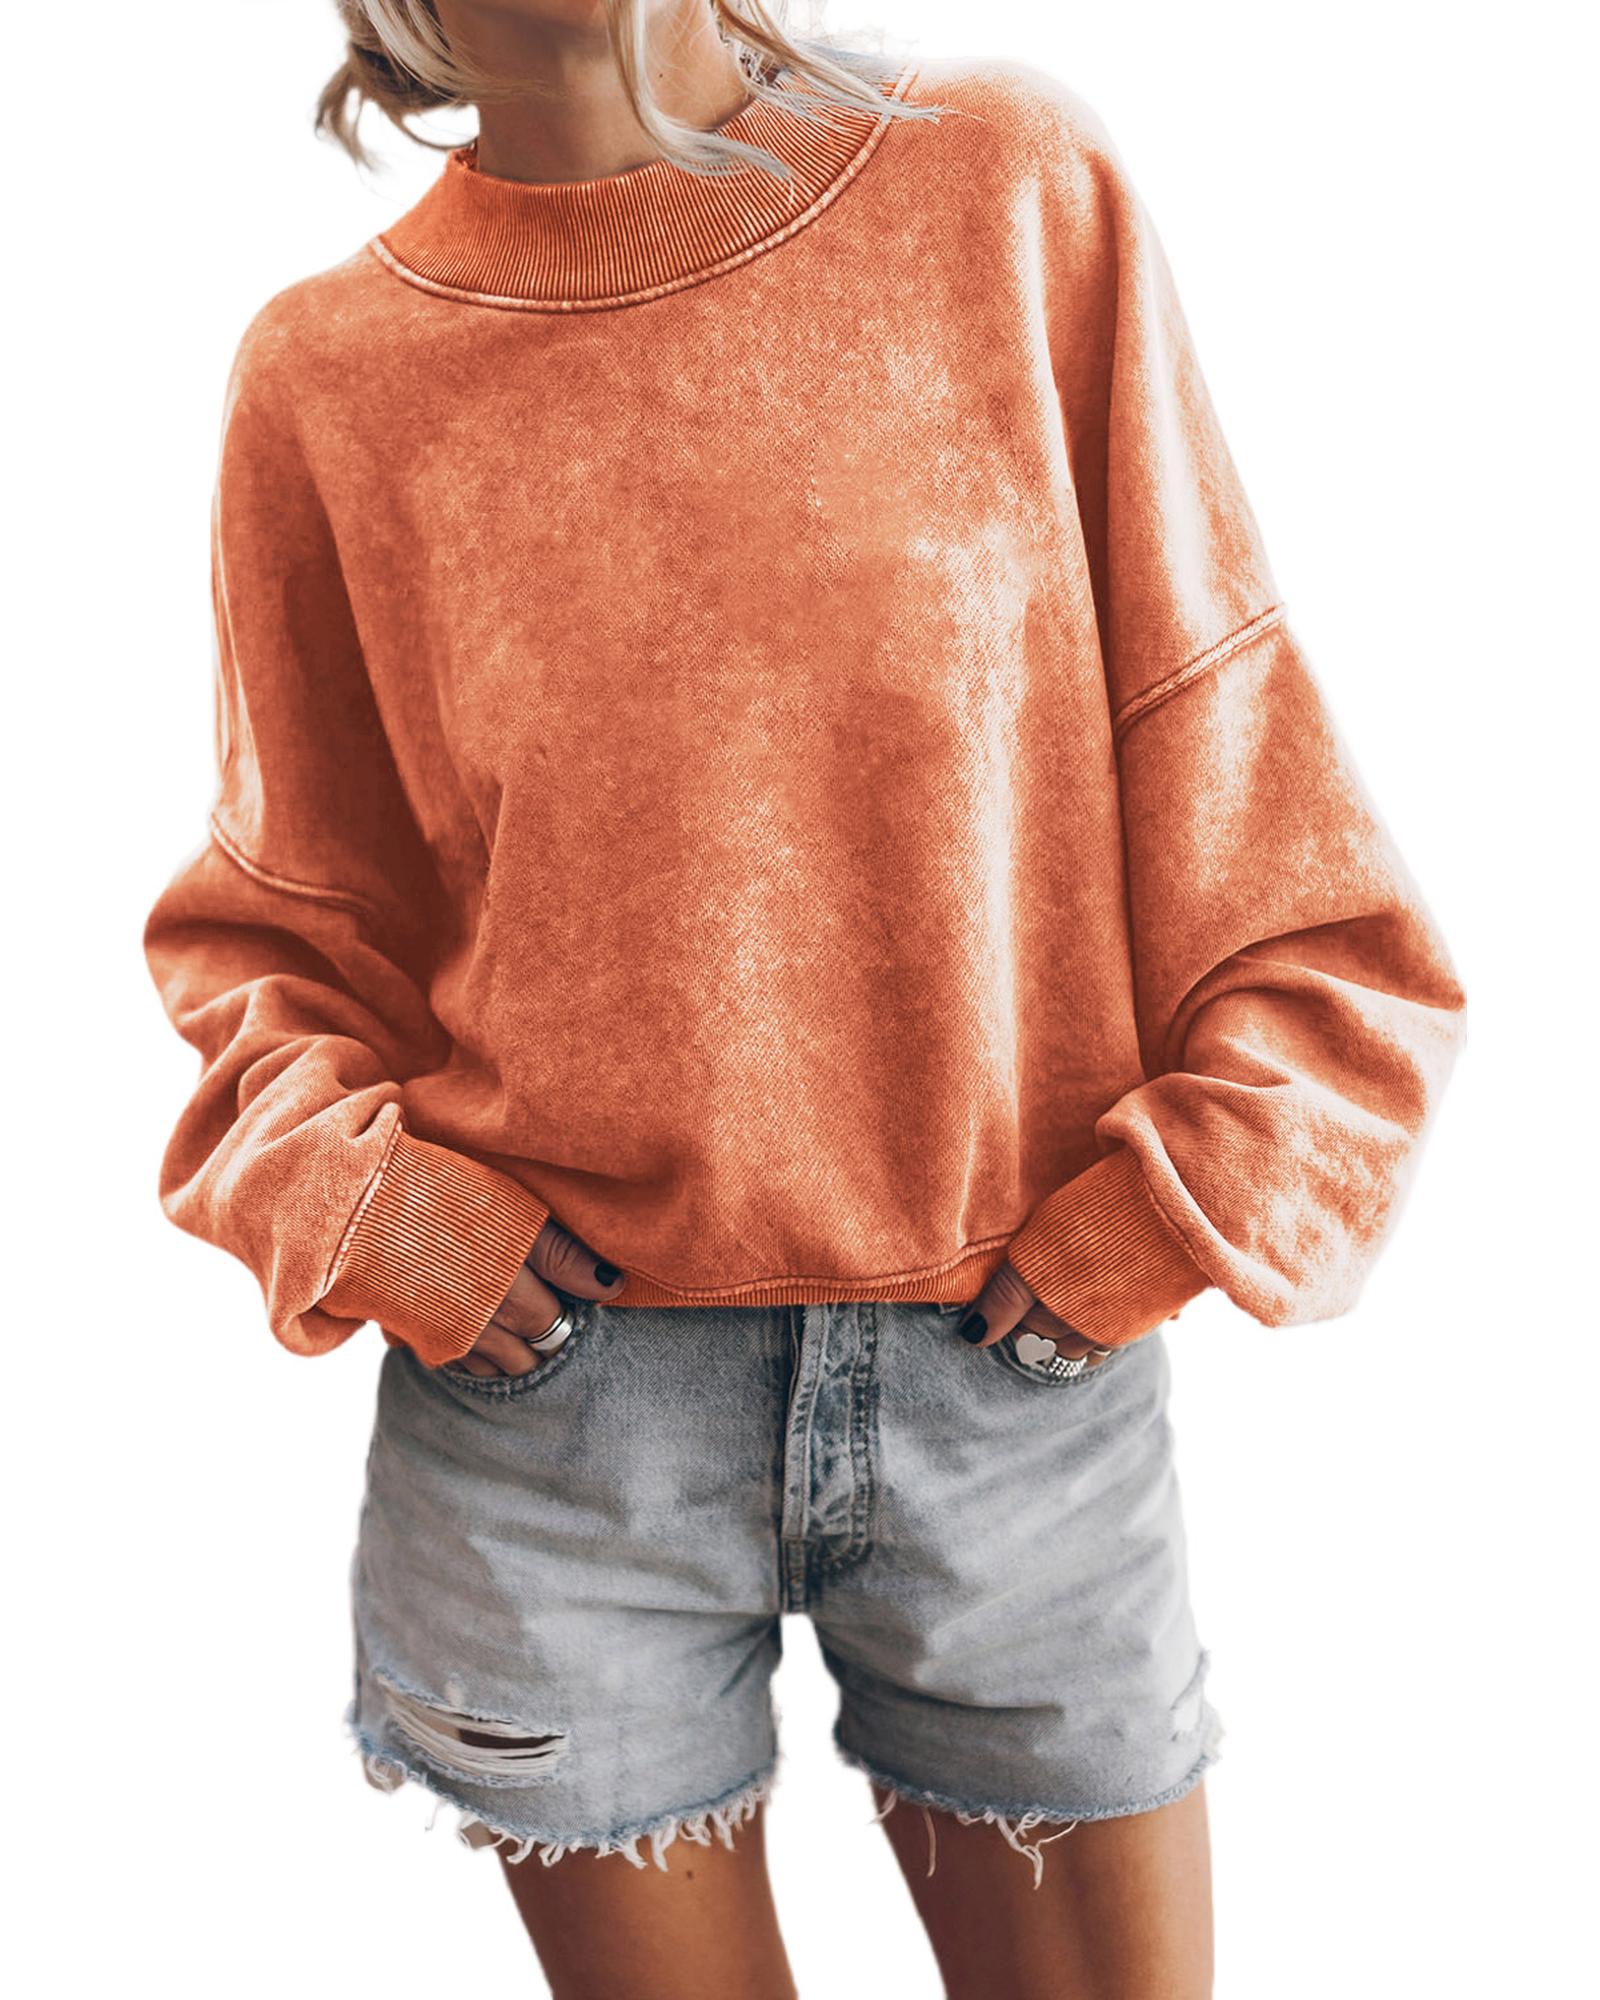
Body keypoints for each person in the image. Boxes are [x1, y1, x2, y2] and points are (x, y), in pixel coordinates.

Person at [140, 3, 1469, 1994]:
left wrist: (1195, 1195)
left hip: (1010, 1385)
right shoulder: (329, 376)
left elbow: (1237, 766)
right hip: (556, 1425)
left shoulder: (1004, 186)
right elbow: (274, 934)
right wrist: (371, 1208)